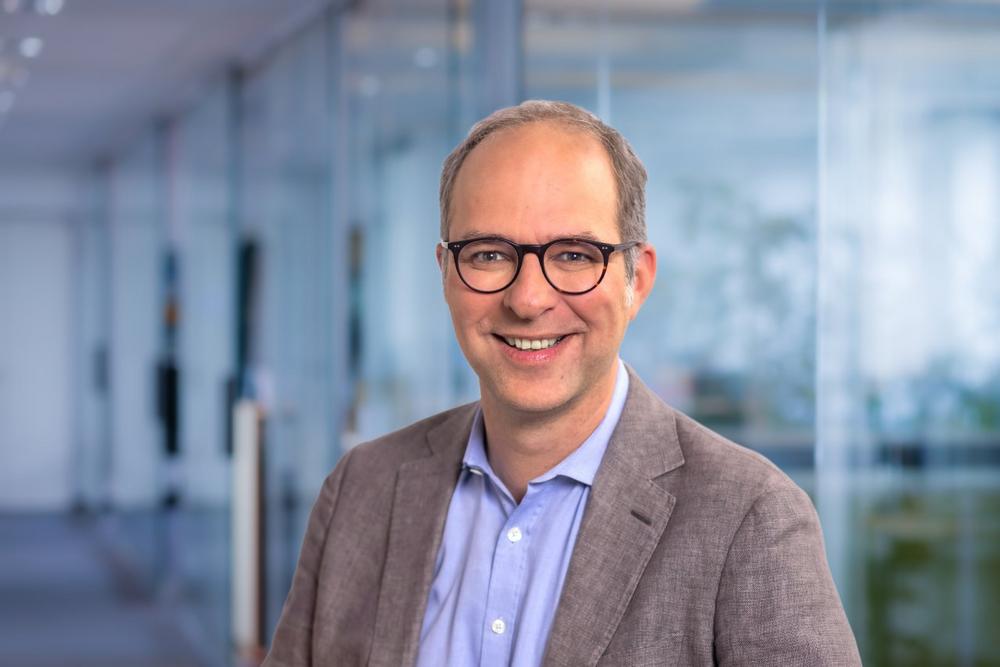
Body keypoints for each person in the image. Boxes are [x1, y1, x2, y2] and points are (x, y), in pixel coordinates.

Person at [262, 100, 861, 667]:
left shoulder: (749, 518)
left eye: (574, 255)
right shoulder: (361, 489)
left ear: (636, 280)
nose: (528, 299)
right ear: (446, 273)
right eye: (489, 254)